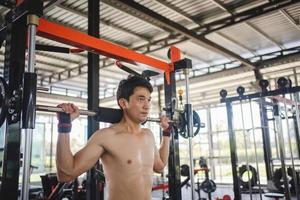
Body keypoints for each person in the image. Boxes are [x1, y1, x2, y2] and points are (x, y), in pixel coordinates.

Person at [56, 75, 171, 200]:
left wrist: (166, 133)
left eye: (148, 100)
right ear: (123, 103)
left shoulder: (148, 135)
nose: (147, 106)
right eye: (140, 99)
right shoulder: (106, 137)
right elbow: (66, 174)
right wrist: (64, 126)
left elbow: (159, 166)